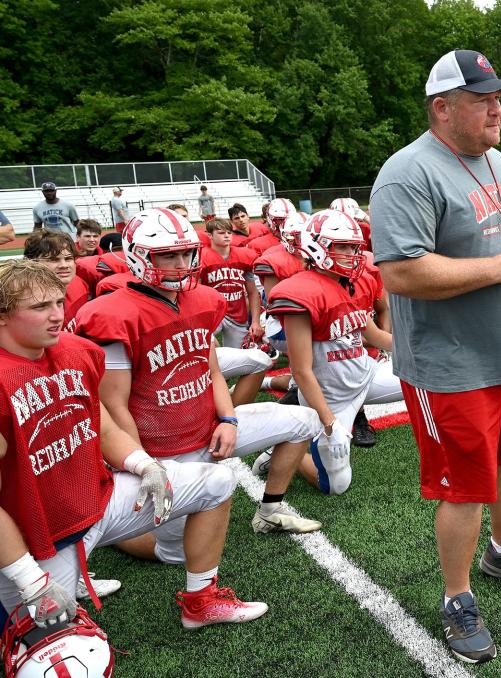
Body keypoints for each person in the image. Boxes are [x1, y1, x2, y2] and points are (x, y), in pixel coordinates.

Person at [369, 49, 501, 664]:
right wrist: (500, 268)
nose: (497, 108)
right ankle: (457, 596)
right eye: (481, 99)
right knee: (462, 487)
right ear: (442, 107)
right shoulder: (407, 173)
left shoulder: (498, 159)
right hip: (450, 364)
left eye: (497, 97)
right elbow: (400, 272)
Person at [0, 259, 267, 632]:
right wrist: (29, 578)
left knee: (216, 482)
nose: (57, 315)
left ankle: (200, 601)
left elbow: (104, 428)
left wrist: (145, 465)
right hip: (40, 533)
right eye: (40, 307)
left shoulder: (75, 351)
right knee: (58, 652)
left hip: (98, 497)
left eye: (59, 303)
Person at [73, 208, 323, 539]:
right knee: (173, 552)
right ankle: (111, 534)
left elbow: (213, 372)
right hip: (163, 448)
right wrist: (143, 464)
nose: (180, 264)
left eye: (186, 253)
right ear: (137, 256)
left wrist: (229, 420)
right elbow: (114, 405)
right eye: (168, 256)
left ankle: (271, 510)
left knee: (304, 420)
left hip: (207, 427)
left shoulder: (202, 300)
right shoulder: (112, 315)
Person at [258, 210, 404, 494]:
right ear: (316, 245)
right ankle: (290, 451)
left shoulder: (352, 282)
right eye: (343, 247)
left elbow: (372, 335)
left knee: (424, 380)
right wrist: (329, 420)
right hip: (331, 396)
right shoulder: (300, 292)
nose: (352, 254)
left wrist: (418, 353)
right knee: (336, 485)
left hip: (365, 375)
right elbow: (301, 371)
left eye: (354, 246)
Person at [199, 218, 262, 348]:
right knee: (201, 343)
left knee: (241, 358)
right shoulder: (201, 257)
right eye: (221, 233)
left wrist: (255, 321)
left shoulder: (243, 255)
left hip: (237, 314)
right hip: (211, 313)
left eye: (229, 232)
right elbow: (195, 294)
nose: (227, 235)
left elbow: (253, 292)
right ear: (210, 235)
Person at [23, 230, 89, 326]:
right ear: (33, 263)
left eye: (68, 259)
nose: (64, 265)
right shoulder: (25, 302)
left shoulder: (79, 284)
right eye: (53, 260)